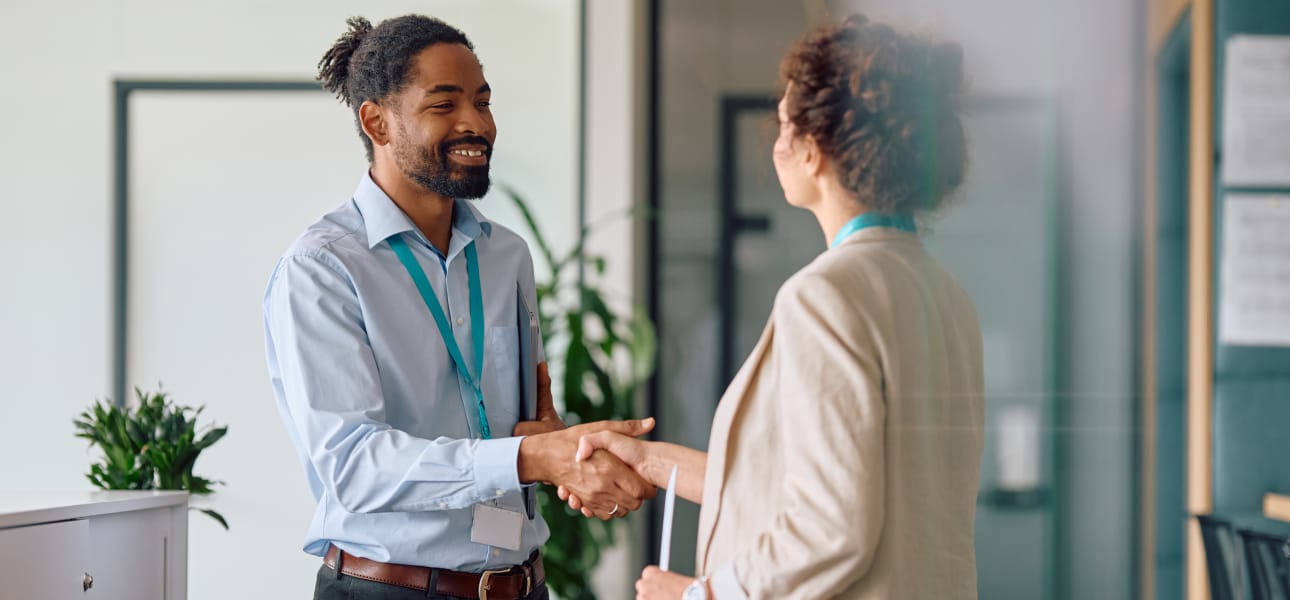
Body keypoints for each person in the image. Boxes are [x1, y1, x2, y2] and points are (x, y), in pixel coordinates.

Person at [564, 14, 984, 599]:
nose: (777, 145)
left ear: (816, 150)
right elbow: (826, 487)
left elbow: (832, 528)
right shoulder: (943, 294)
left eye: (785, 126)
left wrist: (698, 595)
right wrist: (655, 461)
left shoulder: (827, 295)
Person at [262, 14, 655, 600]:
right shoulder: (323, 267)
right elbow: (354, 467)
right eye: (443, 105)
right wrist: (529, 456)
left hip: (522, 585)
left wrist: (566, 453)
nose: (477, 123)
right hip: (390, 589)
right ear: (377, 121)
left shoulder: (507, 256)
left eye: (483, 101)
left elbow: (521, 430)